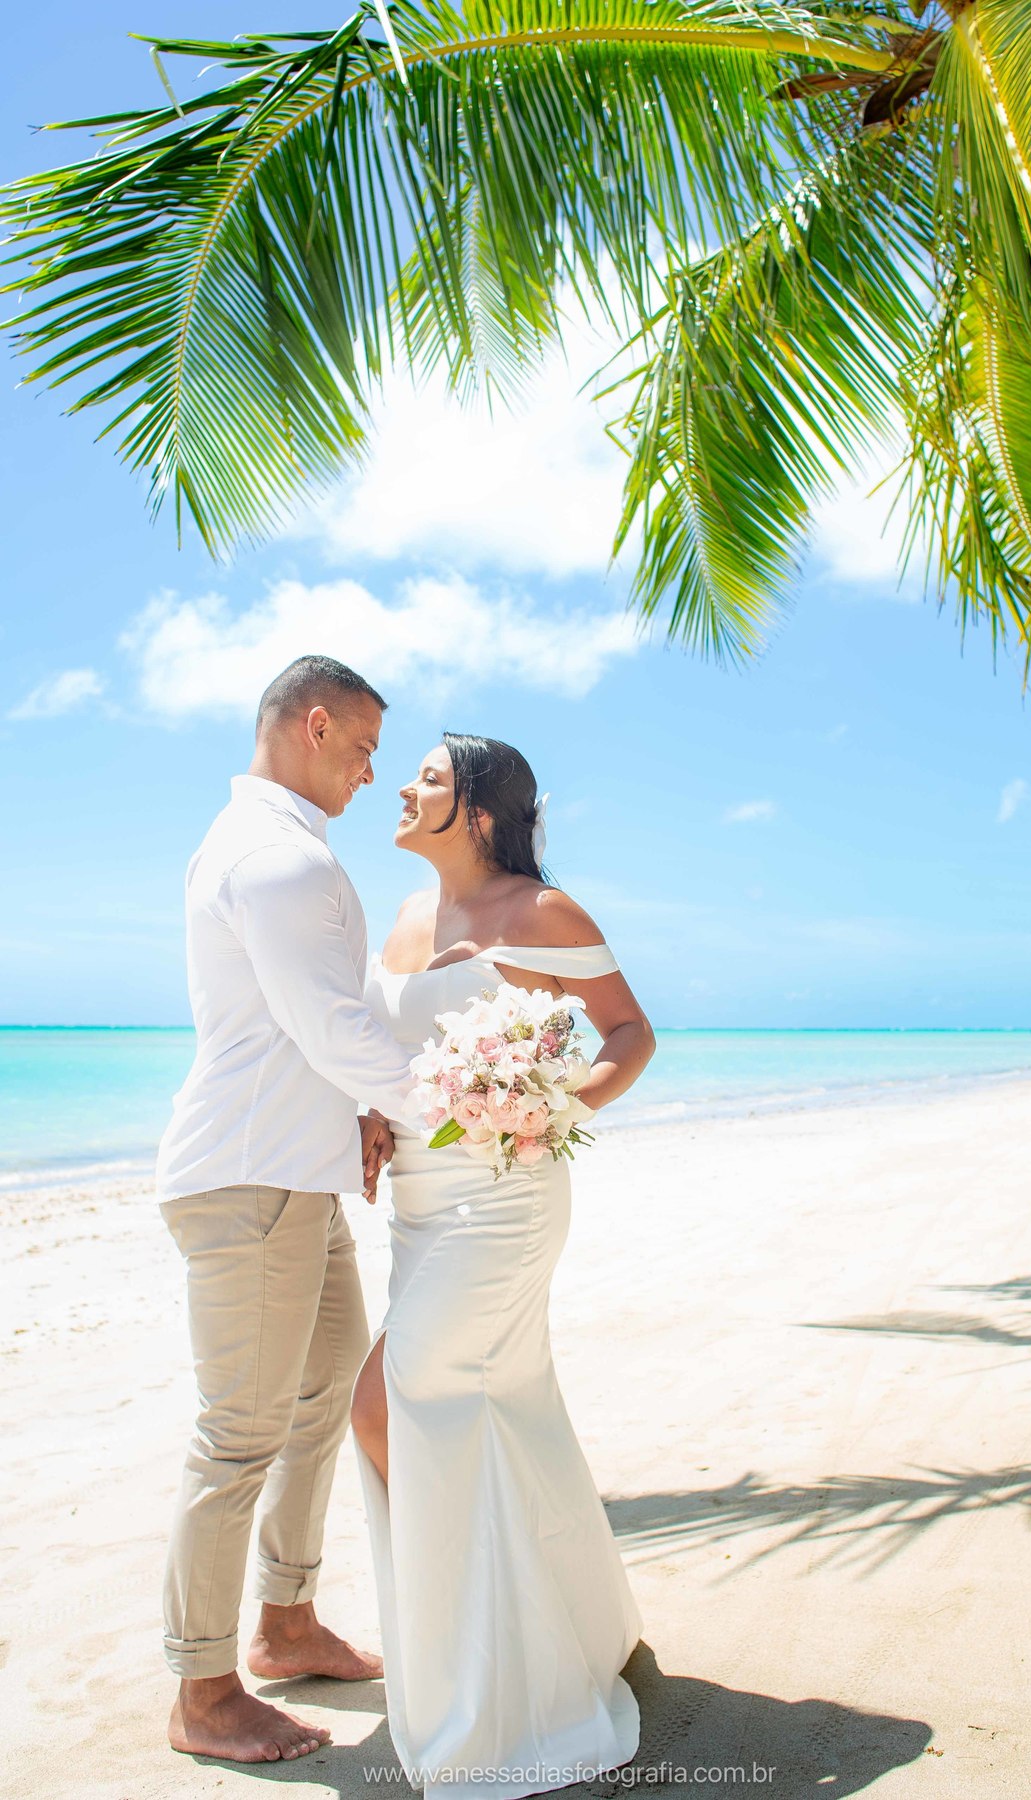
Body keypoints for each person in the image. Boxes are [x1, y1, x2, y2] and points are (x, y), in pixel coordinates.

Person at [352, 732, 656, 1800]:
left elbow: (627, 1033)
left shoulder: (541, 915)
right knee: (501, 1406)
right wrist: (371, 1113)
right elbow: (394, 1054)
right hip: (421, 1211)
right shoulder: (399, 919)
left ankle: (489, 1675)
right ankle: (573, 1626)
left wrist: (548, 1105)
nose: (404, 786)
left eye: (428, 778)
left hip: (507, 1197)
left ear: (479, 810)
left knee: (387, 1407)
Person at [155, 655, 414, 1764]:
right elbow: (330, 1028)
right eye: (361, 749)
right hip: (251, 1180)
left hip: (295, 1177)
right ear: (315, 726)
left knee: (328, 1398)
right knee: (241, 1437)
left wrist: (364, 1106)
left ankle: (287, 1618)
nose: (369, 775)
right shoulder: (271, 858)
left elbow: (312, 1027)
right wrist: (469, 1119)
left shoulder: (277, 849)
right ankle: (202, 1693)